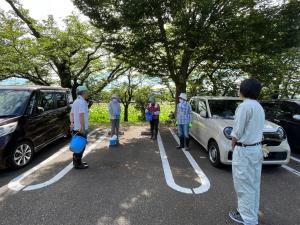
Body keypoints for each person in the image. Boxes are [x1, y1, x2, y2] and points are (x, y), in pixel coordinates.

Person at [229, 78, 265, 225]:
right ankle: (250, 212)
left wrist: (233, 145)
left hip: (245, 150)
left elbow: (237, 131)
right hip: (256, 149)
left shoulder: (244, 106)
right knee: (253, 184)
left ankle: (248, 219)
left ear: (243, 90)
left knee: (243, 185)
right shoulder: (258, 106)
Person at [70, 86, 90, 169]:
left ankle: (77, 162)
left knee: (77, 145)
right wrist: (82, 127)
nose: (88, 94)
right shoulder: (82, 102)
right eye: (87, 92)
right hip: (81, 128)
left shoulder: (76, 101)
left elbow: (71, 114)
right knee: (80, 146)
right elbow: (81, 115)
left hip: (76, 127)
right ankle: (78, 164)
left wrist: (72, 123)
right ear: (83, 93)